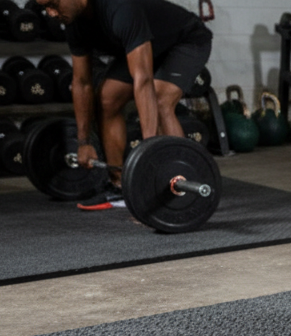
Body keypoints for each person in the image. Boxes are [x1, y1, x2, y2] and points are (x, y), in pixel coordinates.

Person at [33, 0, 212, 209]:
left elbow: (143, 80)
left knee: (161, 100)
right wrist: (83, 142)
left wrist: (148, 156)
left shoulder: (120, 7)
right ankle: (119, 185)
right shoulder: (74, 23)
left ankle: (177, 186)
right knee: (106, 98)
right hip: (147, 46)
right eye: (46, 8)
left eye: (53, 5)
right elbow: (81, 83)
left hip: (185, 40)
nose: (51, 13)